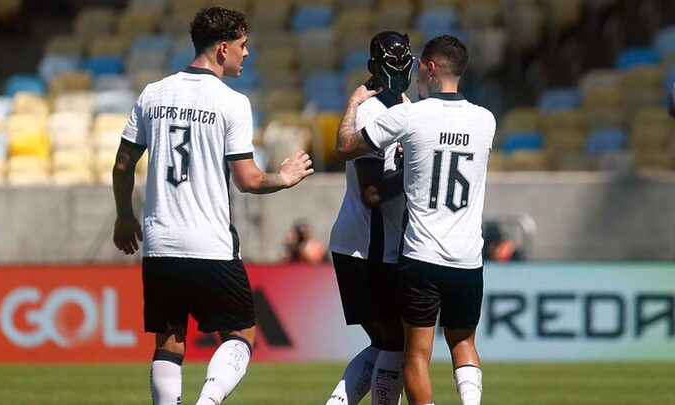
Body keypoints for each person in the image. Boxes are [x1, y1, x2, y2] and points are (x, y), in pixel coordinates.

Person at [111, 7, 314, 405]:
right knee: (241, 335)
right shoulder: (231, 103)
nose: (247, 53)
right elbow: (249, 179)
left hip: (160, 243)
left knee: (169, 339)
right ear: (223, 48)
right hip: (210, 244)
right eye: (243, 45)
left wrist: (123, 215)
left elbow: (121, 166)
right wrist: (286, 176)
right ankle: (208, 401)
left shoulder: (153, 94)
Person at [336, 35, 496, 405]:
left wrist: (354, 106)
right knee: (463, 341)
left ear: (431, 68)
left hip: (421, 254)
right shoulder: (485, 120)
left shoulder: (411, 115)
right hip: (468, 256)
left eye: (419, 65)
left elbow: (345, 148)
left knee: (414, 354)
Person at [326, 31, 413, 405]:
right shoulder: (371, 112)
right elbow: (372, 192)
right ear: (374, 67)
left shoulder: (400, 107)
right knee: (397, 342)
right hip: (368, 243)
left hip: (367, 242)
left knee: (386, 340)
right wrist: (418, 170)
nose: (400, 68)